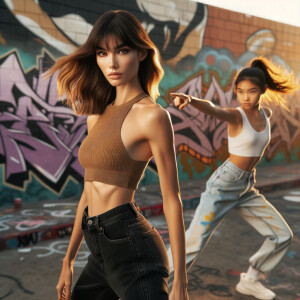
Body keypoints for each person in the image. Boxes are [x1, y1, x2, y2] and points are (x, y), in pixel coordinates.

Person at [47, 10, 188, 300]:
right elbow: (87, 194)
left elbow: (172, 198)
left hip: (132, 247)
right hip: (98, 249)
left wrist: (180, 282)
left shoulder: (153, 117)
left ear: (141, 53)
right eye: (102, 53)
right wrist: (67, 260)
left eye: (122, 51)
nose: (111, 63)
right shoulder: (96, 116)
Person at [169, 57, 297, 300]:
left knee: (282, 235)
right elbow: (214, 108)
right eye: (240, 92)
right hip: (223, 185)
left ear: (262, 91)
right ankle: (150, 286)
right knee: (192, 244)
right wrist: (192, 100)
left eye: (251, 92)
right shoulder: (237, 116)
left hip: (246, 188)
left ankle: (250, 280)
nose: (245, 97)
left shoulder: (266, 114)